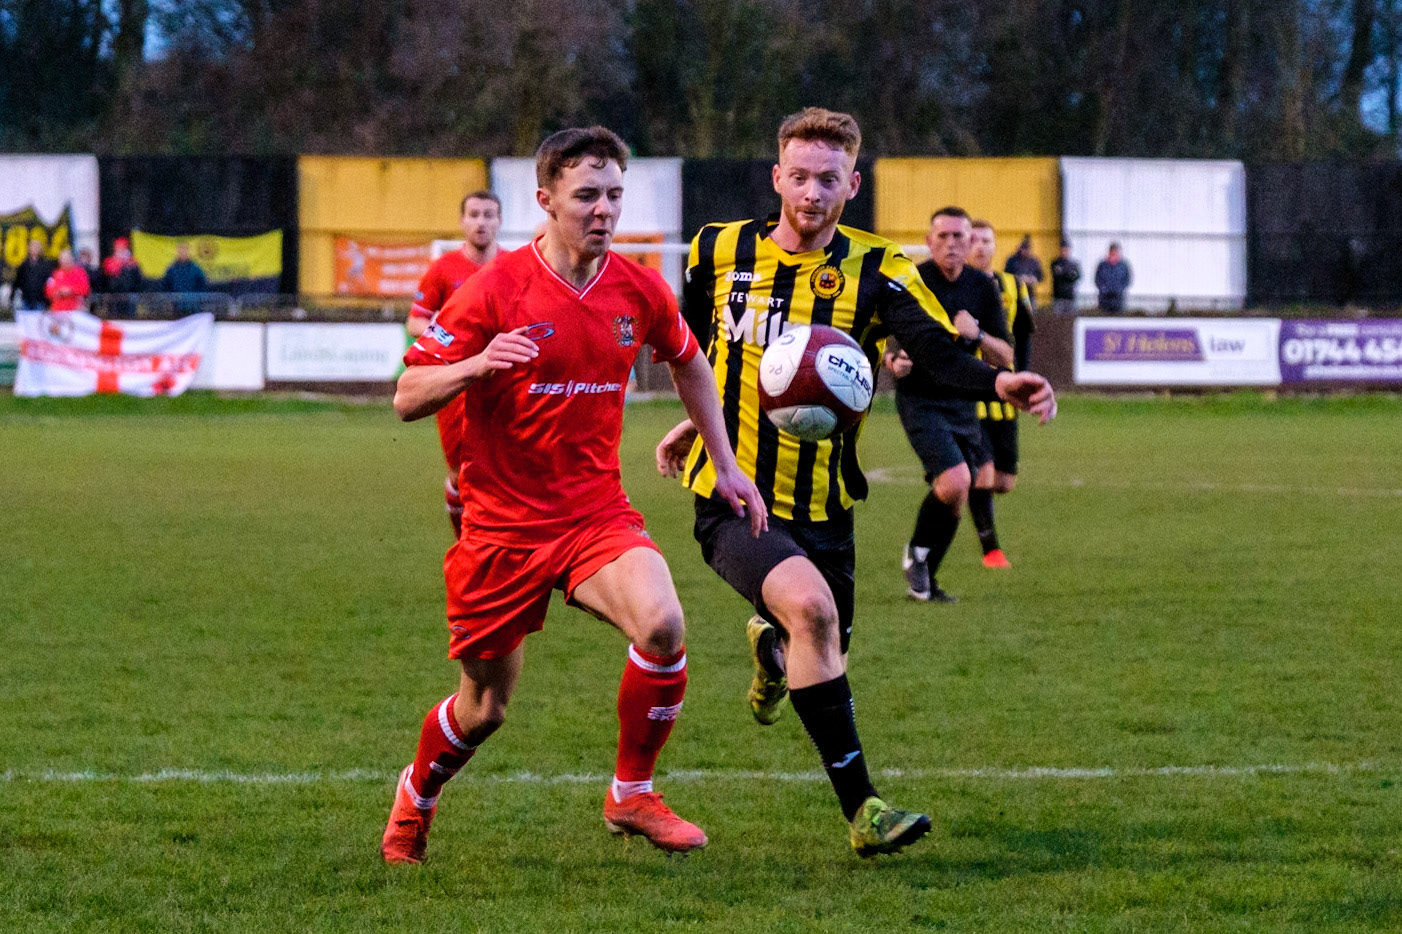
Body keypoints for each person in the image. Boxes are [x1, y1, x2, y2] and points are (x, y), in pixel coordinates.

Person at [655, 108, 1055, 856]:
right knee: (811, 613)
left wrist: (999, 385)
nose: (811, 193)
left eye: (828, 180)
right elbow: (693, 347)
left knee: (822, 635)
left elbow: (935, 353)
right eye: (799, 177)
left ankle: (772, 652)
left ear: (853, 184)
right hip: (734, 494)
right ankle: (865, 812)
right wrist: (698, 422)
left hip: (827, 505)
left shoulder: (880, 269)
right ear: (777, 177)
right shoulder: (718, 250)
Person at [381, 126, 767, 865]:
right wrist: (477, 365)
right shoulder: (492, 291)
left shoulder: (638, 287)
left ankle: (630, 794)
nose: (602, 209)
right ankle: (416, 798)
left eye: (614, 195)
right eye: (586, 195)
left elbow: (692, 363)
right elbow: (405, 395)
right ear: (546, 199)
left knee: (662, 626)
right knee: (485, 708)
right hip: (501, 528)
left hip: (594, 514)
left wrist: (724, 460)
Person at [888, 208, 1014, 601]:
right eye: (942, 236)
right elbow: (882, 338)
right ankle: (919, 561)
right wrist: (893, 361)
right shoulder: (913, 281)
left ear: (970, 242)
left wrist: (977, 334)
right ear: (928, 242)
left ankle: (924, 573)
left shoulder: (981, 287)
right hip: (921, 399)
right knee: (956, 480)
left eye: (959, 236)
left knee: (959, 491)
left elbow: (1005, 354)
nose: (951, 243)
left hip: (963, 402)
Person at [406, 190, 503, 537]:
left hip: (504, 383)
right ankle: (465, 542)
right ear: (462, 222)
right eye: (474, 215)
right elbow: (415, 321)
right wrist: (450, 336)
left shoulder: (512, 267)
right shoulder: (443, 269)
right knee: (460, 471)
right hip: (457, 384)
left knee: (508, 468)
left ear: (499, 221)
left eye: (488, 215)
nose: (481, 222)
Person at [965, 219, 1034, 569]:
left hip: (1006, 396)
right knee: (985, 474)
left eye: (986, 240)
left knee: (1005, 482)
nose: (980, 246)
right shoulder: (957, 287)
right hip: (971, 390)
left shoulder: (1013, 285)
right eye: (973, 240)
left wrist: (1025, 374)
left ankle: (955, 485)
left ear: (996, 246)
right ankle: (991, 550)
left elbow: (1023, 334)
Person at [102, 237, 143, 318]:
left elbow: (138, 279)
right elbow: (106, 279)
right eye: (118, 248)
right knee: (114, 316)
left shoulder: (133, 262)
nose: (120, 250)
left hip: (130, 294)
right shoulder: (109, 261)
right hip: (114, 296)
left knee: (130, 316)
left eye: (122, 248)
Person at [44, 248, 91, 313]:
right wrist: (59, 292)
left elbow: (86, 289)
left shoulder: (80, 273)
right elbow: (48, 291)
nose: (65, 262)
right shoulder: (55, 274)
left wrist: (71, 291)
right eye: (62, 259)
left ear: (71, 259)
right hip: (58, 311)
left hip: (75, 310)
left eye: (67, 259)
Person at [1003, 235, 1044, 308]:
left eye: (1028, 250)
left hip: (1029, 294)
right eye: (1024, 249)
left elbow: (1041, 276)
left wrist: (1033, 279)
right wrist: (1019, 279)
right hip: (1015, 294)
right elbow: (1006, 275)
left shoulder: (1034, 262)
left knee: (1030, 314)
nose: (1026, 252)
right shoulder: (1012, 261)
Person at [13, 238, 54, 311]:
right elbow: (18, 282)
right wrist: (12, 296)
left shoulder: (45, 265)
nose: (35, 249)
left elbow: (49, 283)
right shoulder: (24, 265)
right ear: (29, 249)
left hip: (41, 300)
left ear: (41, 249)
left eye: (37, 247)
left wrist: (48, 301)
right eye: (33, 247)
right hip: (26, 300)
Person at [1094, 242, 1131, 315]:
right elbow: (1097, 279)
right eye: (1112, 252)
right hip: (1104, 299)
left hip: (1118, 299)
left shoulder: (1123, 266)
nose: (1114, 255)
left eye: (1115, 252)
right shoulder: (1102, 265)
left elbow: (1127, 280)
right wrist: (1103, 289)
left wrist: (1119, 289)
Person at [1050, 240, 1080, 316]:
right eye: (1063, 250)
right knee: (1058, 320)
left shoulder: (1073, 264)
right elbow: (1057, 275)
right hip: (1058, 297)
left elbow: (1077, 276)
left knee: (1070, 320)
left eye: (1066, 250)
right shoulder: (1055, 262)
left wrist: (1063, 272)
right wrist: (1068, 273)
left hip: (1070, 297)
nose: (1065, 252)